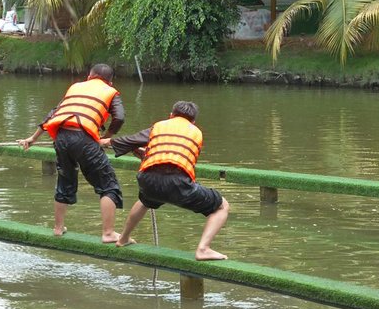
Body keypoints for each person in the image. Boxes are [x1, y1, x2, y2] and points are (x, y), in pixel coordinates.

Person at [102, 100, 230, 261]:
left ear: (171, 115)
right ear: (193, 121)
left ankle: (123, 238)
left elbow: (130, 141)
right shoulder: (196, 132)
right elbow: (177, 156)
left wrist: (102, 142)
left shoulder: (159, 126)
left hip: (147, 180)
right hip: (177, 182)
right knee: (222, 206)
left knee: (145, 200)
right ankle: (203, 249)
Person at [17, 63, 125, 242]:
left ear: (89, 76)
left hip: (61, 138)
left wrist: (32, 138)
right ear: (111, 82)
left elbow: (53, 114)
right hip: (84, 139)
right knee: (108, 185)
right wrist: (106, 138)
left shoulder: (75, 87)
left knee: (65, 179)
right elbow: (119, 117)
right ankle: (108, 233)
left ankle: (58, 228)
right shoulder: (111, 92)